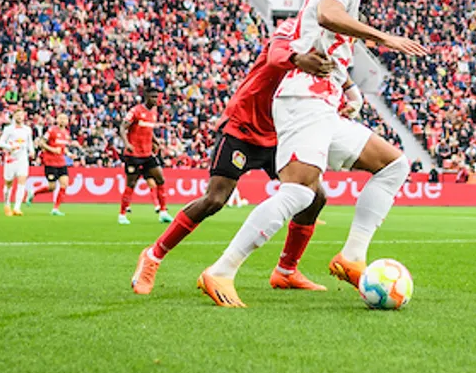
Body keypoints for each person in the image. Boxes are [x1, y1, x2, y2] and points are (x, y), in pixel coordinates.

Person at [196, 0, 425, 308]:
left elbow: (328, 37)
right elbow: (327, 15)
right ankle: (221, 271)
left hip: (322, 104)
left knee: (394, 164)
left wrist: (347, 90)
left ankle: (351, 257)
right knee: (300, 192)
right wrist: (383, 37)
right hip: (303, 100)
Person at [132, 26, 337, 295]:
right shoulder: (290, 30)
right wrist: (299, 59)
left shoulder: (324, 47)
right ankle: (153, 256)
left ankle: (286, 271)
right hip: (242, 128)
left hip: (277, 134)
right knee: (215, 200)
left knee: (315, 195)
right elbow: (276, 56)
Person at [117, 88, 169, 225]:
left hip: (147, 154)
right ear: (146, 96)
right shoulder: (135, 111)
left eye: (157, 97)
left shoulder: (153, 113)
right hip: (133, 154)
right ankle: (122, 214)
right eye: (152, 97)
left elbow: (149, 130)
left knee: (160, 178)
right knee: (131, 183)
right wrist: (126, 143)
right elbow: (122, 127)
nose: (155, 100)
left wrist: (156, 142)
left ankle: (163, 212)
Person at [0, 108, 35, 216]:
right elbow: (0, 143)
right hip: (11, 159)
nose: (19, 117)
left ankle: (17, 207)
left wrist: (32, 151)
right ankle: (7, 204)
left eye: (21, 115)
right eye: (17, 115)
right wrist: (10, 147)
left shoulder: (27, 129)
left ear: (24, 116)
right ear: (14, 117)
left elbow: (29, 143)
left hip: (23, 158)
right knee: (8, 183)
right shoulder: (8, 129)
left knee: (22, 181)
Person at [38, 114, 72, 217]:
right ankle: (34, 192)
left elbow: (63, 147)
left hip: (61, 162)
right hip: (50, 162)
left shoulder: (66, 133)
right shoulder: (51, 130)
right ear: (57, 120)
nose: (63, 120)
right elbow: (41, 143)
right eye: (61, 118)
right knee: (52, 187)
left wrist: (69, 153)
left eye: (65, 118)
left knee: (64, 184)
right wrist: (53, 150)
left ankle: (56, 208)